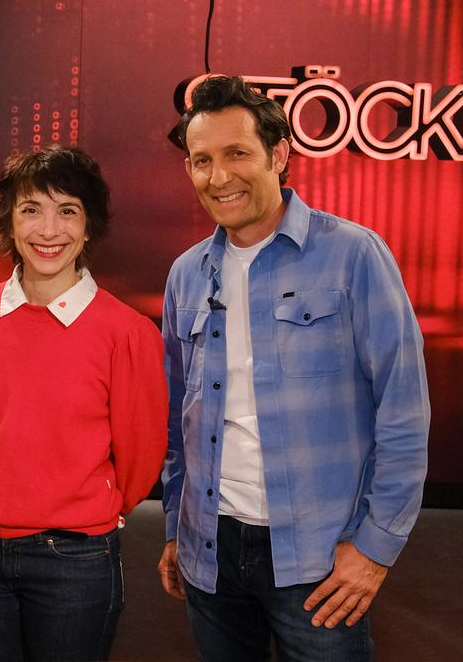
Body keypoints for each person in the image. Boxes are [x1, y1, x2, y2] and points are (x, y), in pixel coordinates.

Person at [158, 75, 430, 661]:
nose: (219, 176)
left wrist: (376, 549)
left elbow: (403, 413)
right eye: (201, 159)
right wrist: (178, 529)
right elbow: (179, 417)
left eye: (237, 154)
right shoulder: (185, 273)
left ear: (278, 154)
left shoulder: (354, 254)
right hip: (211, 549)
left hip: (319, 558)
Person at [0, 146, 167, 661]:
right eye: (31, 210)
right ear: (9, 221)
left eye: (67, 210)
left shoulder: (126, 330)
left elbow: (142, 451)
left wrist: (89, 508)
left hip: (74, 556)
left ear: (89, 227)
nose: (49, 230)